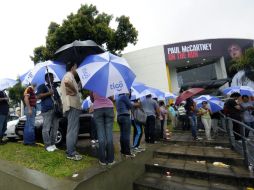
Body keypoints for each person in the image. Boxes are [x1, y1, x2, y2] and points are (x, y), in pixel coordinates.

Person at [60, 62, 82, 161]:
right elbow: (67, 82)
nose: (77, 69)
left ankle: (70, 149)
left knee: (72, 129)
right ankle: (71, 153)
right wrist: (74, 91)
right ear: (73, 67)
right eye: (76, 67)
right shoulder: (68, 75)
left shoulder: (69, 76)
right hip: (72, 105)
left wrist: (76, 88)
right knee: (72, 129)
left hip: (71, 105)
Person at [37, 73, 61, 152]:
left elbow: (58, 98)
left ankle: (53, 144)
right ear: (47, 78)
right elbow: (38, 96)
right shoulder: (42, 86)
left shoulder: (54, 87)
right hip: (47, 110)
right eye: (51, 77)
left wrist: (60, 106)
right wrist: (48, 93)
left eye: (53, 77)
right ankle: (47, 145)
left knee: (55, 128)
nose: (53, 79)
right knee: (46, 129)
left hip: (55, 110)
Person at [91, 92, 115, 166]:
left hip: (97, 109)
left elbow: (92, 99)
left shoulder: (93, 85)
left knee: (100, 134)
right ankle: (111, 160)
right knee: (109, 134)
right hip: (109, 108)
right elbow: (112, 98)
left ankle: (102, 160)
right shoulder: (108, 84)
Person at [116, 93, 138, 158]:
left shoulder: (118, 98)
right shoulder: (124, 97)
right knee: (126, 135)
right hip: (125, 116)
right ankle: (127, 152)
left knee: (122, 135)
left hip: (119, 117)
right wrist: (136, 104)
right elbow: (130, 106)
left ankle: (123, 151)